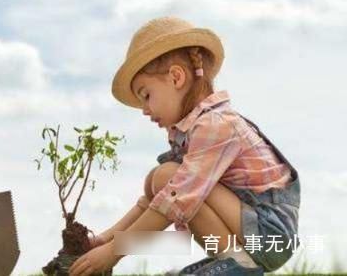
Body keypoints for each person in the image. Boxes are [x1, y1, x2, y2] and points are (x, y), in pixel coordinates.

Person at [69, 17, 300, 276]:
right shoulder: (192, 131)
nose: (144, 110)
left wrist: (113, 253)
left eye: (146, 95)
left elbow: (175, 198)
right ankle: (234, 262)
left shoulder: (216, 124)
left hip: (270, 236)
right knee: (160, 178)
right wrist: (105, 240)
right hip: (252, 228)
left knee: (169, 178)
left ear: (176, 77)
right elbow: (153, 200)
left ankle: (240, 267)